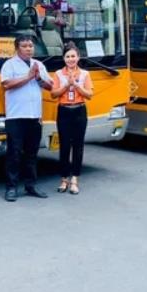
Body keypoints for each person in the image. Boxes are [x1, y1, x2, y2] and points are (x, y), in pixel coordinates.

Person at [0, 35, 53, 201]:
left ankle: (31, 185)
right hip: (16, 116)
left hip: (35, 116)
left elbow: (50, 86)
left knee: (32, 153)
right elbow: (6, 84)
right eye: (25, 46)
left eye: (31, 46)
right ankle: (11, 187)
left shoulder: (39, 65)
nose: (29, 48)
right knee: (14, 153)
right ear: (17, 48)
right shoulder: (9, 65)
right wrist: (28, 77)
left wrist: (38, 78)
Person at [50, 42, 93, 194]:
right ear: (64, 59)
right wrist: (66, 85)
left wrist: (76, 85)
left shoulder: (85, 74)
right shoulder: (58, 74)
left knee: (78, 146)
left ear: (78, 57)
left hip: (79, 110)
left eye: (73, 56)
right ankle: (63, 179)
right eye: (68, 57)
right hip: (64, 111)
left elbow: (89, 95)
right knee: (64, 146)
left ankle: (75, 179)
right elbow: (53, 94)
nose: (70, 59)